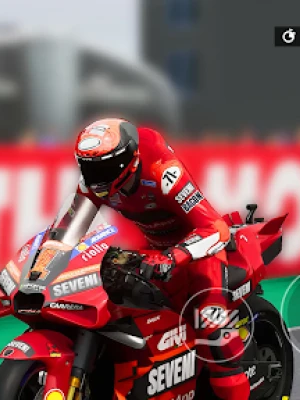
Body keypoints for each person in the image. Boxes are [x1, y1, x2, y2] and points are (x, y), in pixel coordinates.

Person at [70, 118, 249, 399]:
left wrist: (175, 255)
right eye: (88, 167)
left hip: (200, 254)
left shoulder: (164, 172)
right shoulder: (91, 183)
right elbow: (67, 231)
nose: (95, 176)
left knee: (212, 331)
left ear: (126, 161)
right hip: (155, 250)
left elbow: (216, 229)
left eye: (102, 167)